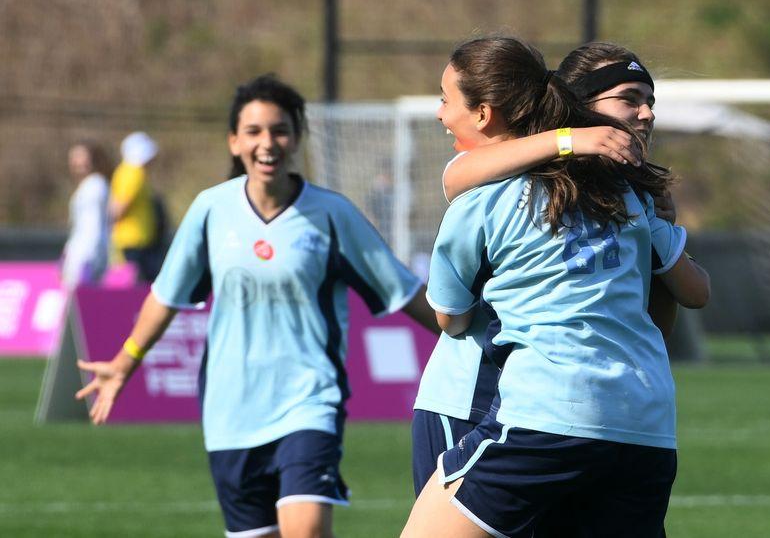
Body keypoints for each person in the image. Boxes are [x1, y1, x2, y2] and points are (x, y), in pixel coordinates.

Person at [76, 73, 439, 538]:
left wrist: (475, 330)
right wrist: (125, 362)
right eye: (253, 131)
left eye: (279, 129)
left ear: (297, 138)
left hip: (309, 401)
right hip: (231, 412)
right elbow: (165, 295)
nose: (267, 142)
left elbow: (405, 291)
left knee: (305, 529)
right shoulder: (210, 210)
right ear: (234, 141)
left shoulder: (331, 214)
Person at [402, 36, 710, 538]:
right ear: (576, 111)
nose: (647, 114)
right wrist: (570, 141)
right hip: (475, 398)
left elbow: (660, 320)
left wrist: (663, 236)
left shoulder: (630, 197)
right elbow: (459, 177)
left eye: (650, 101)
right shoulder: (493, 185)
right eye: (630, 99)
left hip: (553, 411)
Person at [109, 131, 161, 282]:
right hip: (134, 243)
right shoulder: (133, 174)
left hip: (136, 241)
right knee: (139, 285)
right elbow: (118, 209)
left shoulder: (128, 172)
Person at [61, 141, 112, 291]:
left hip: (87, 257)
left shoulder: (95, 185)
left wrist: (88, 259)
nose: (77, 161)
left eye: (81, 157)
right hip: (79, 255)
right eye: (74, 157)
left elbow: (93, 226)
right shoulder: (87, 185)